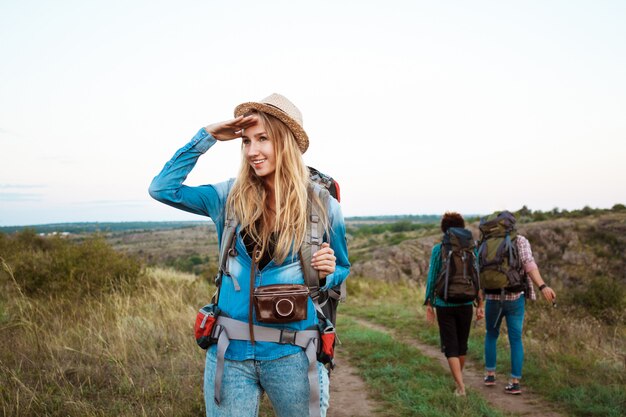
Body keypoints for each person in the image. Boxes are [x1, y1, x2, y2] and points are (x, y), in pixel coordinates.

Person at [149, 93, 350, 417]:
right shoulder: (227, 196)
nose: (252, 150)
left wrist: (328, 271)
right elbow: (163, 189)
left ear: (285, 143)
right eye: (246, 141)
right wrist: (208, 136)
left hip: (295, 355)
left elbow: (343, 266)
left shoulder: (322, 204)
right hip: (228, 355)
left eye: (263, 139)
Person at [480, 212, 557, 395]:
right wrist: (543, 286)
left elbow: (479, 271)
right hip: (515, 298)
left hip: (492, 298)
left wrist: (479, 302)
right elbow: (529, 264)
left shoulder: (485, 242)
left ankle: (490, 375)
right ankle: (514, 382)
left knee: (491, 334)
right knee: (515, 339)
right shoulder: (520, 240)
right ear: (512, 224)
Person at [424, 212, 484, 397]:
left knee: (450, 345)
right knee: (462, 345)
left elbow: (432, 277)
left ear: (444, 228)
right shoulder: (471, 249)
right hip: (466, 302)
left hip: (444, 303)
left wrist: (429, 304)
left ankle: (460, 387)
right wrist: (480, 304)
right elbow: (477, 278)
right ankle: (459, 380)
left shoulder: (439, 249)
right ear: (461, 227)